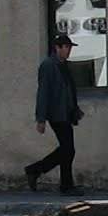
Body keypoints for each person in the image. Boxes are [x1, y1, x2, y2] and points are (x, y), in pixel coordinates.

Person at [26, 31, 83, 193]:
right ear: (57, 48)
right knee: (68, 149)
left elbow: (68, 89)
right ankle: (65, 184)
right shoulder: (49, 66)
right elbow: (43, 92)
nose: (68, 50)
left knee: (67, 149)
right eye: (65, 47)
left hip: (65, 112)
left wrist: (74, 108)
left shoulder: (62, 65)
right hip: (57, 114)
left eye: (69, 47)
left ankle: (36, 170)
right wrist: (41, 118)